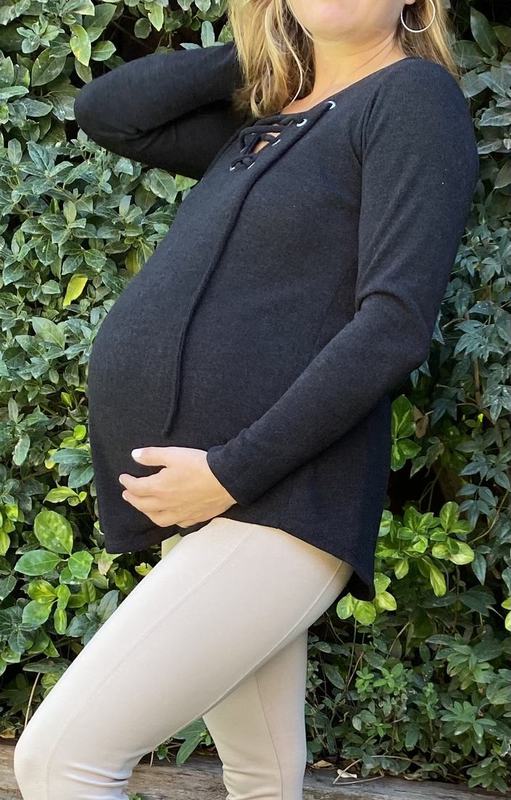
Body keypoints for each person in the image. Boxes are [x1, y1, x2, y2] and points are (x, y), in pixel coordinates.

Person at [13, 1, 479, 798]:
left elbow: (393, 326)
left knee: (61, 761)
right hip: (218, 501)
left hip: (273, 498)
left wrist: (231, 473)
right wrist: (271, 45)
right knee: (263, 777)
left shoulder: (409, 98)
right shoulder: (268, 124)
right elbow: (109, 112)